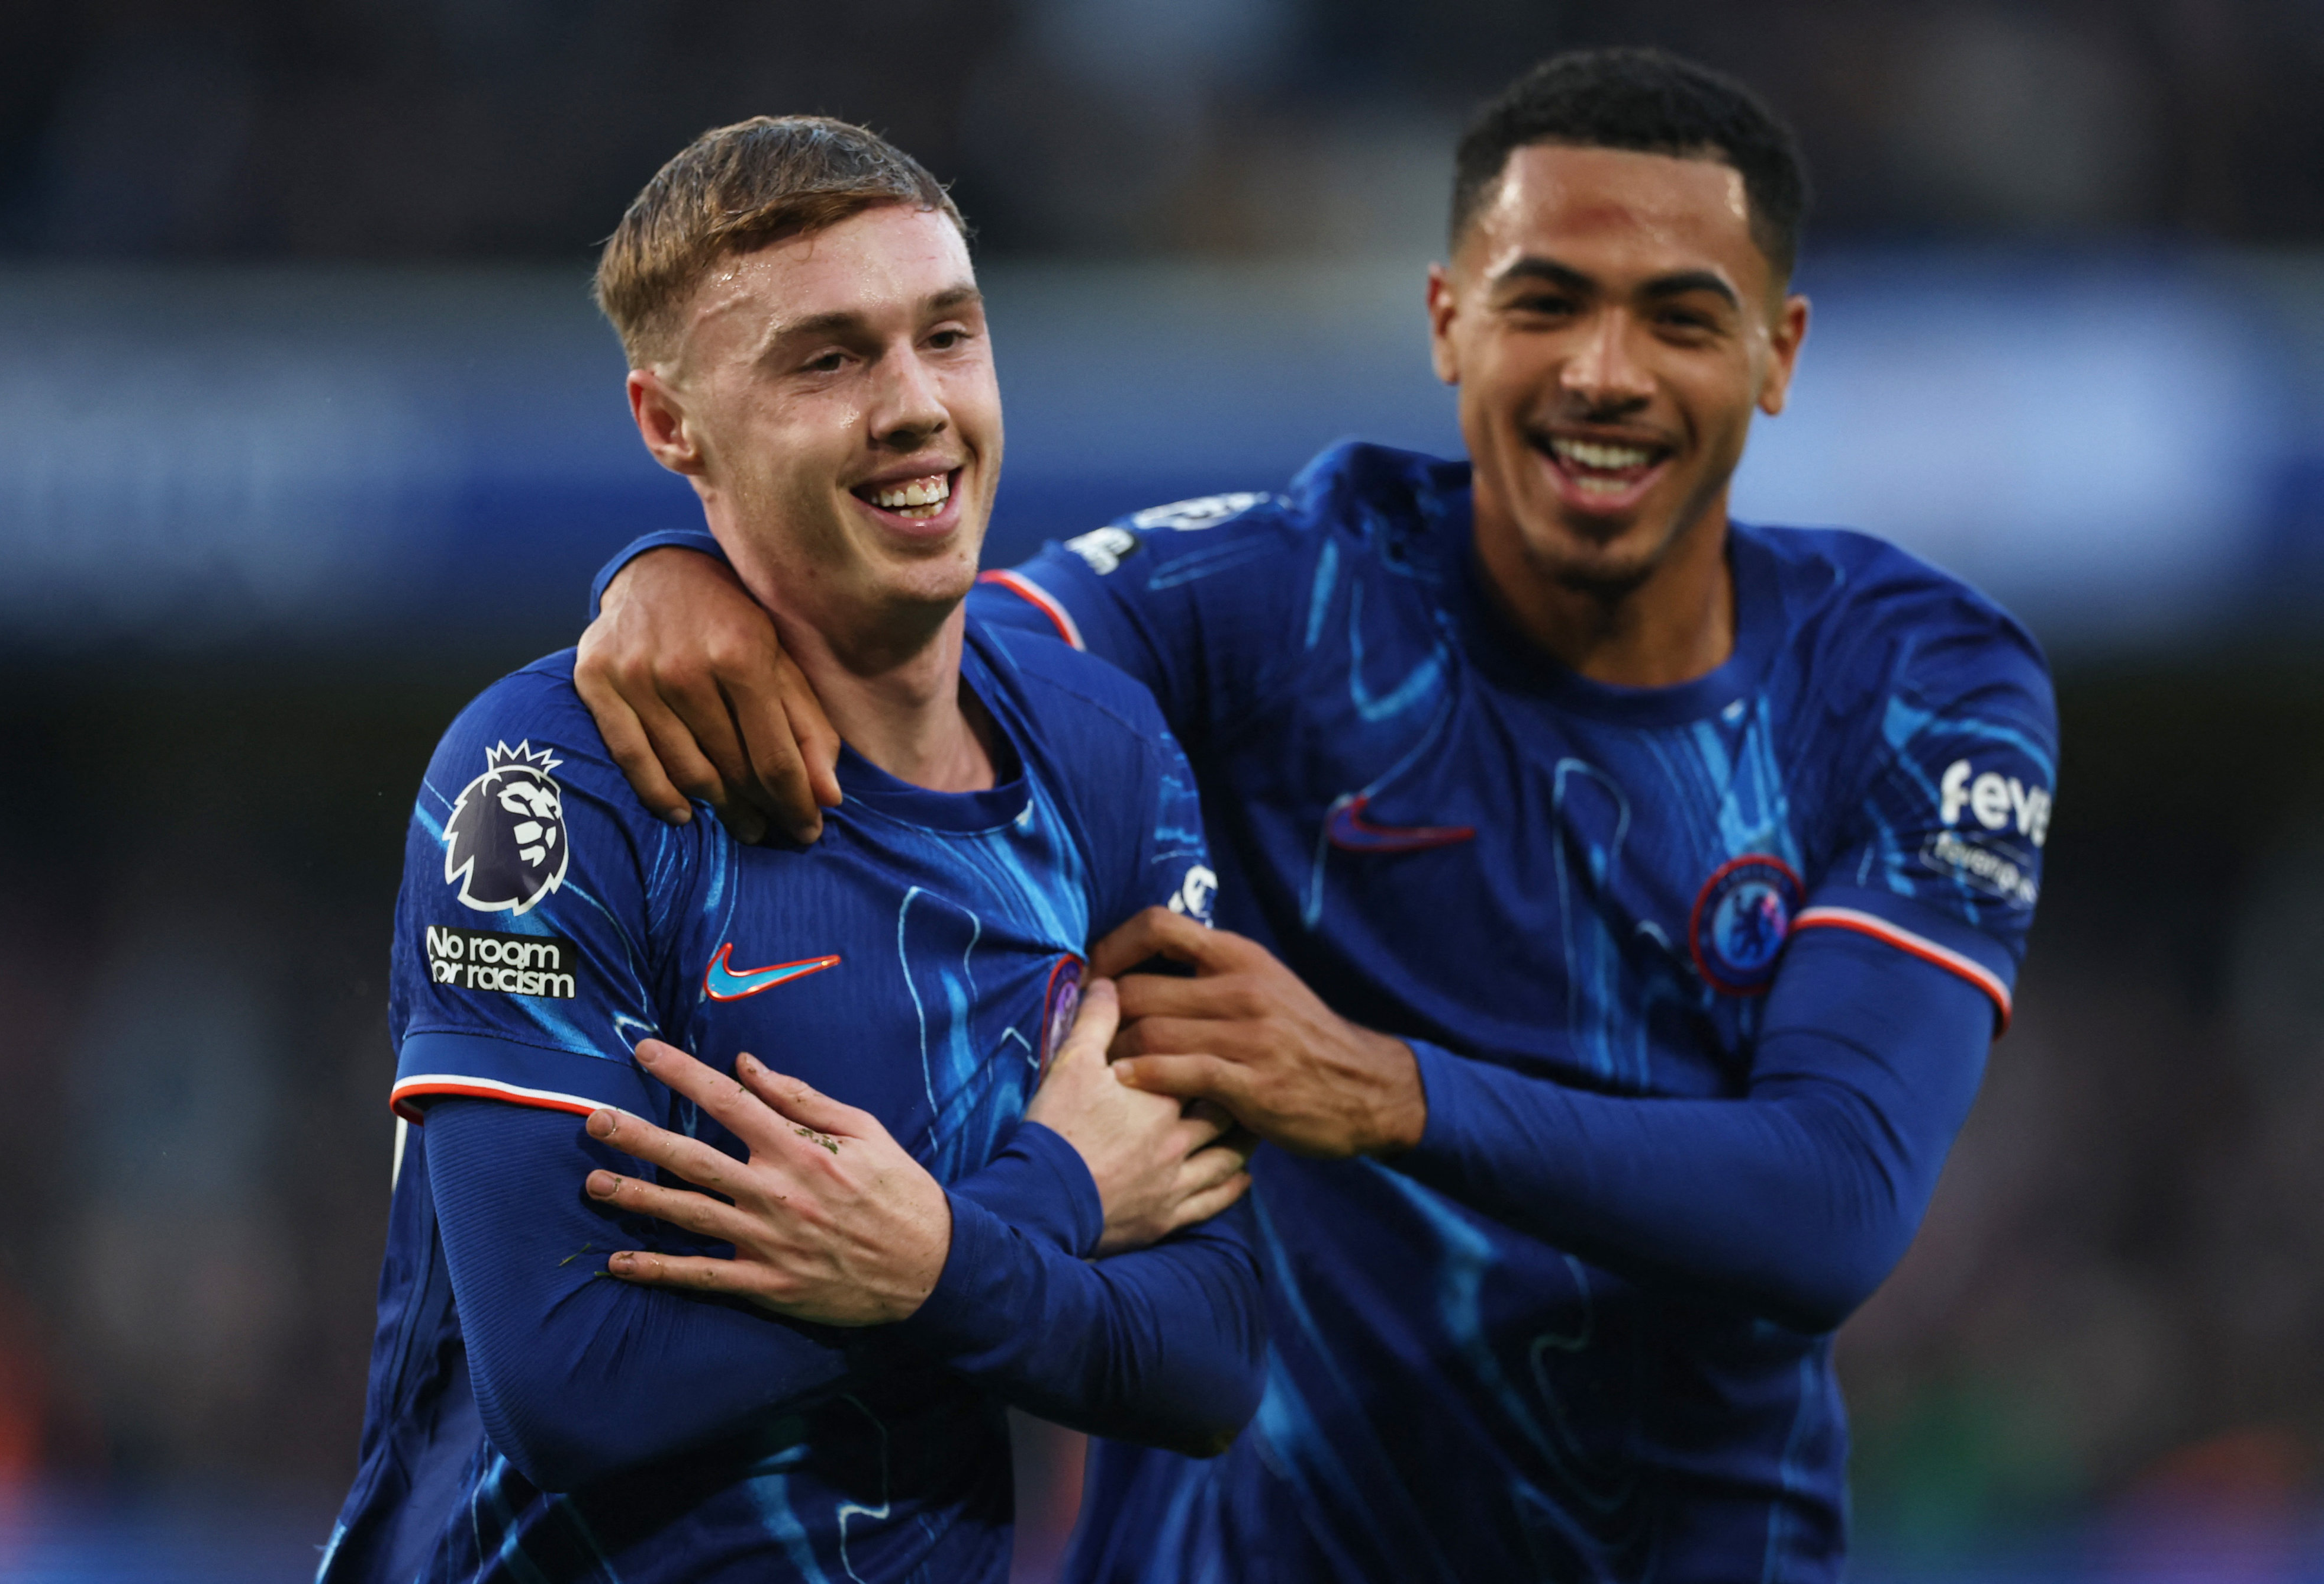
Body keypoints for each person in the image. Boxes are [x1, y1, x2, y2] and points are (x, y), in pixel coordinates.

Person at [572, 47, 2060, 1584]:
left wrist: (1376, 1087)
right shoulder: (1286, 592)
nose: (1603, 372)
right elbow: (913, 654)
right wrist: (671, 567)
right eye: (1546, 301)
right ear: (1447, 323)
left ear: (1778, 351)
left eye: (1681, 316)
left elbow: (1833, 1198)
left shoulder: (1913, 679)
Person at [318, 116, 1263, 1584]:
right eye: (825, 360)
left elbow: (1204, 1356)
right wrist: (1034, 1211)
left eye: (944, 336)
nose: (914, 407)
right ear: (668, 423)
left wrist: (936, 1256)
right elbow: (574, 1381)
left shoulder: (1104, 753)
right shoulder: (553, 783)